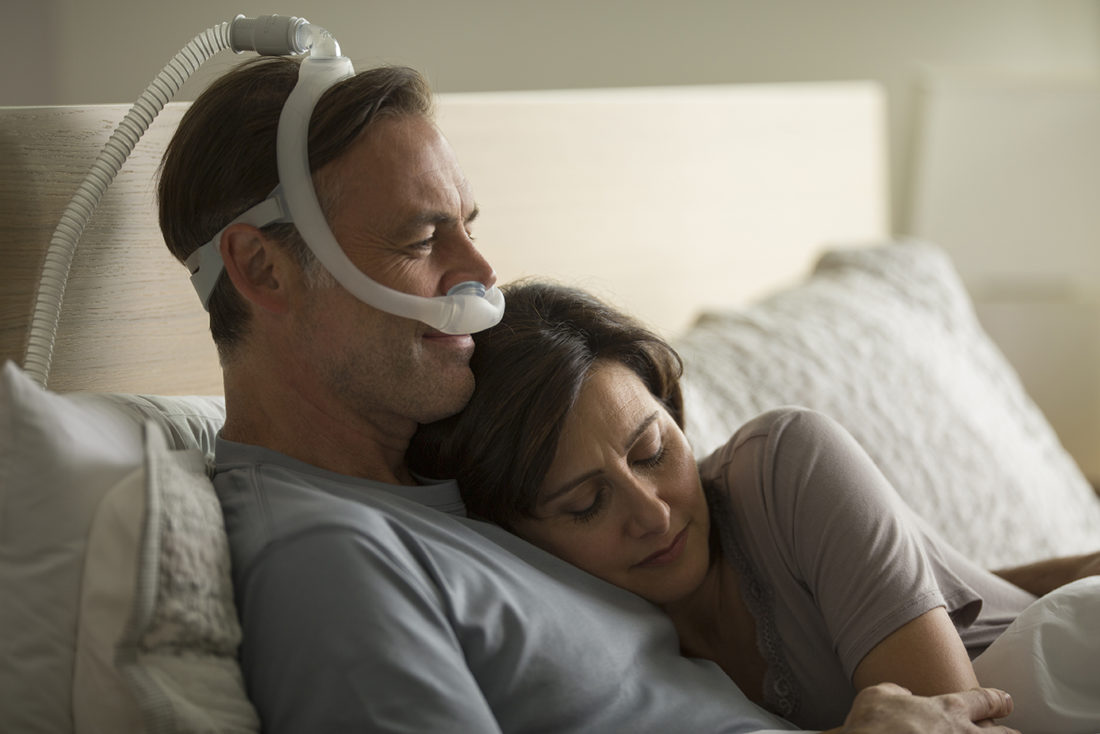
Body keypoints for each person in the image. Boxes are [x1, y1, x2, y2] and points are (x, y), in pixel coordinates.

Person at [158, 55, 1023, 733]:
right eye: (424, 238)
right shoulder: (325, 556)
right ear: (263, 269)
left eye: (471, 225)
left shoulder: (463, 477)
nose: (482, 275)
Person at [410, 280, 1100, 731]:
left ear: (673, 413)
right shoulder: (583, 658)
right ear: (519, 538)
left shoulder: (786, 467)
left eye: (653, 451)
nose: (651, 513)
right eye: (587, 504)